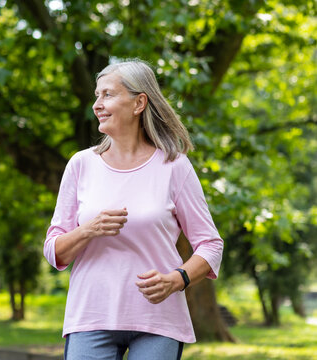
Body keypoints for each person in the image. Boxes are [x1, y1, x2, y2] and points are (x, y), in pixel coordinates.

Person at [44, 59, 223, 360]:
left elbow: (211, 244)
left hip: (158, 318)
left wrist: (177, 279)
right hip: (91, 316)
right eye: (96, 96)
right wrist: (89, 229)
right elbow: (54, 250)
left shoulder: (174, 166)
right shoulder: (81, 164)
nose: (97, 105)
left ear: (139, 102)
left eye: (108, 95)